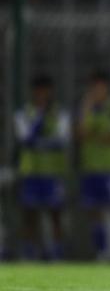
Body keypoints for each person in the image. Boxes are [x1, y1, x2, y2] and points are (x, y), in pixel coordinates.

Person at [14, 75, 70, 260]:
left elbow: (62, 141)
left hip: (53, 172)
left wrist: (39, 141)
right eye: (38, 91)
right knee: (30, 215)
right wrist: (40, 120)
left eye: (45, 90)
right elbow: (25, 139)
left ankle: (57, 252)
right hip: (31, 172)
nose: (42, 94)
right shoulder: (24, 113)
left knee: (55, 214)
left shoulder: (60, 112)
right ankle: (29, 252)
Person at [77, 70, 110, 260]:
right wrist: (86, 108)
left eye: (100, 87)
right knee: (95, 212)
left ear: (106, 88)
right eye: (94, 87)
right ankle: (102, 252)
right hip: (91, 167)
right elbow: (80, 133)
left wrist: (93, 137)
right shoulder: (87, 108)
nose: (96, 91)